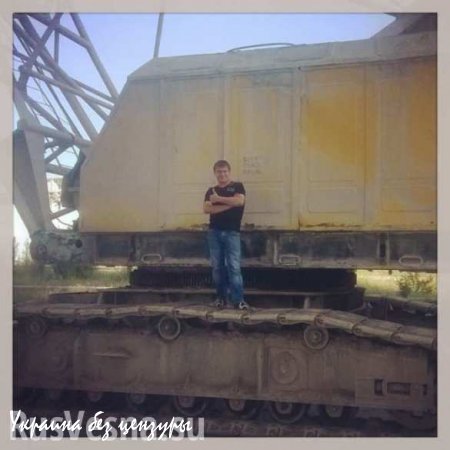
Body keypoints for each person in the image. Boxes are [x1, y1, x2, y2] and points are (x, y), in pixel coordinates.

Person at [203, 160, 250, 310]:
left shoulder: (237, 186)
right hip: (214, 233)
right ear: (215, 173)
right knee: (217, 267)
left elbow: (240, 201)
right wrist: (230, 204)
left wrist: (219, 200)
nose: (222, 174)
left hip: (232, 233)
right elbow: (207, 209)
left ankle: (238, 301)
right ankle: (220, 299)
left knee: (234, 267)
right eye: (219, 172)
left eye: (224, 171)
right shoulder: (211, 190)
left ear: (229, 172)